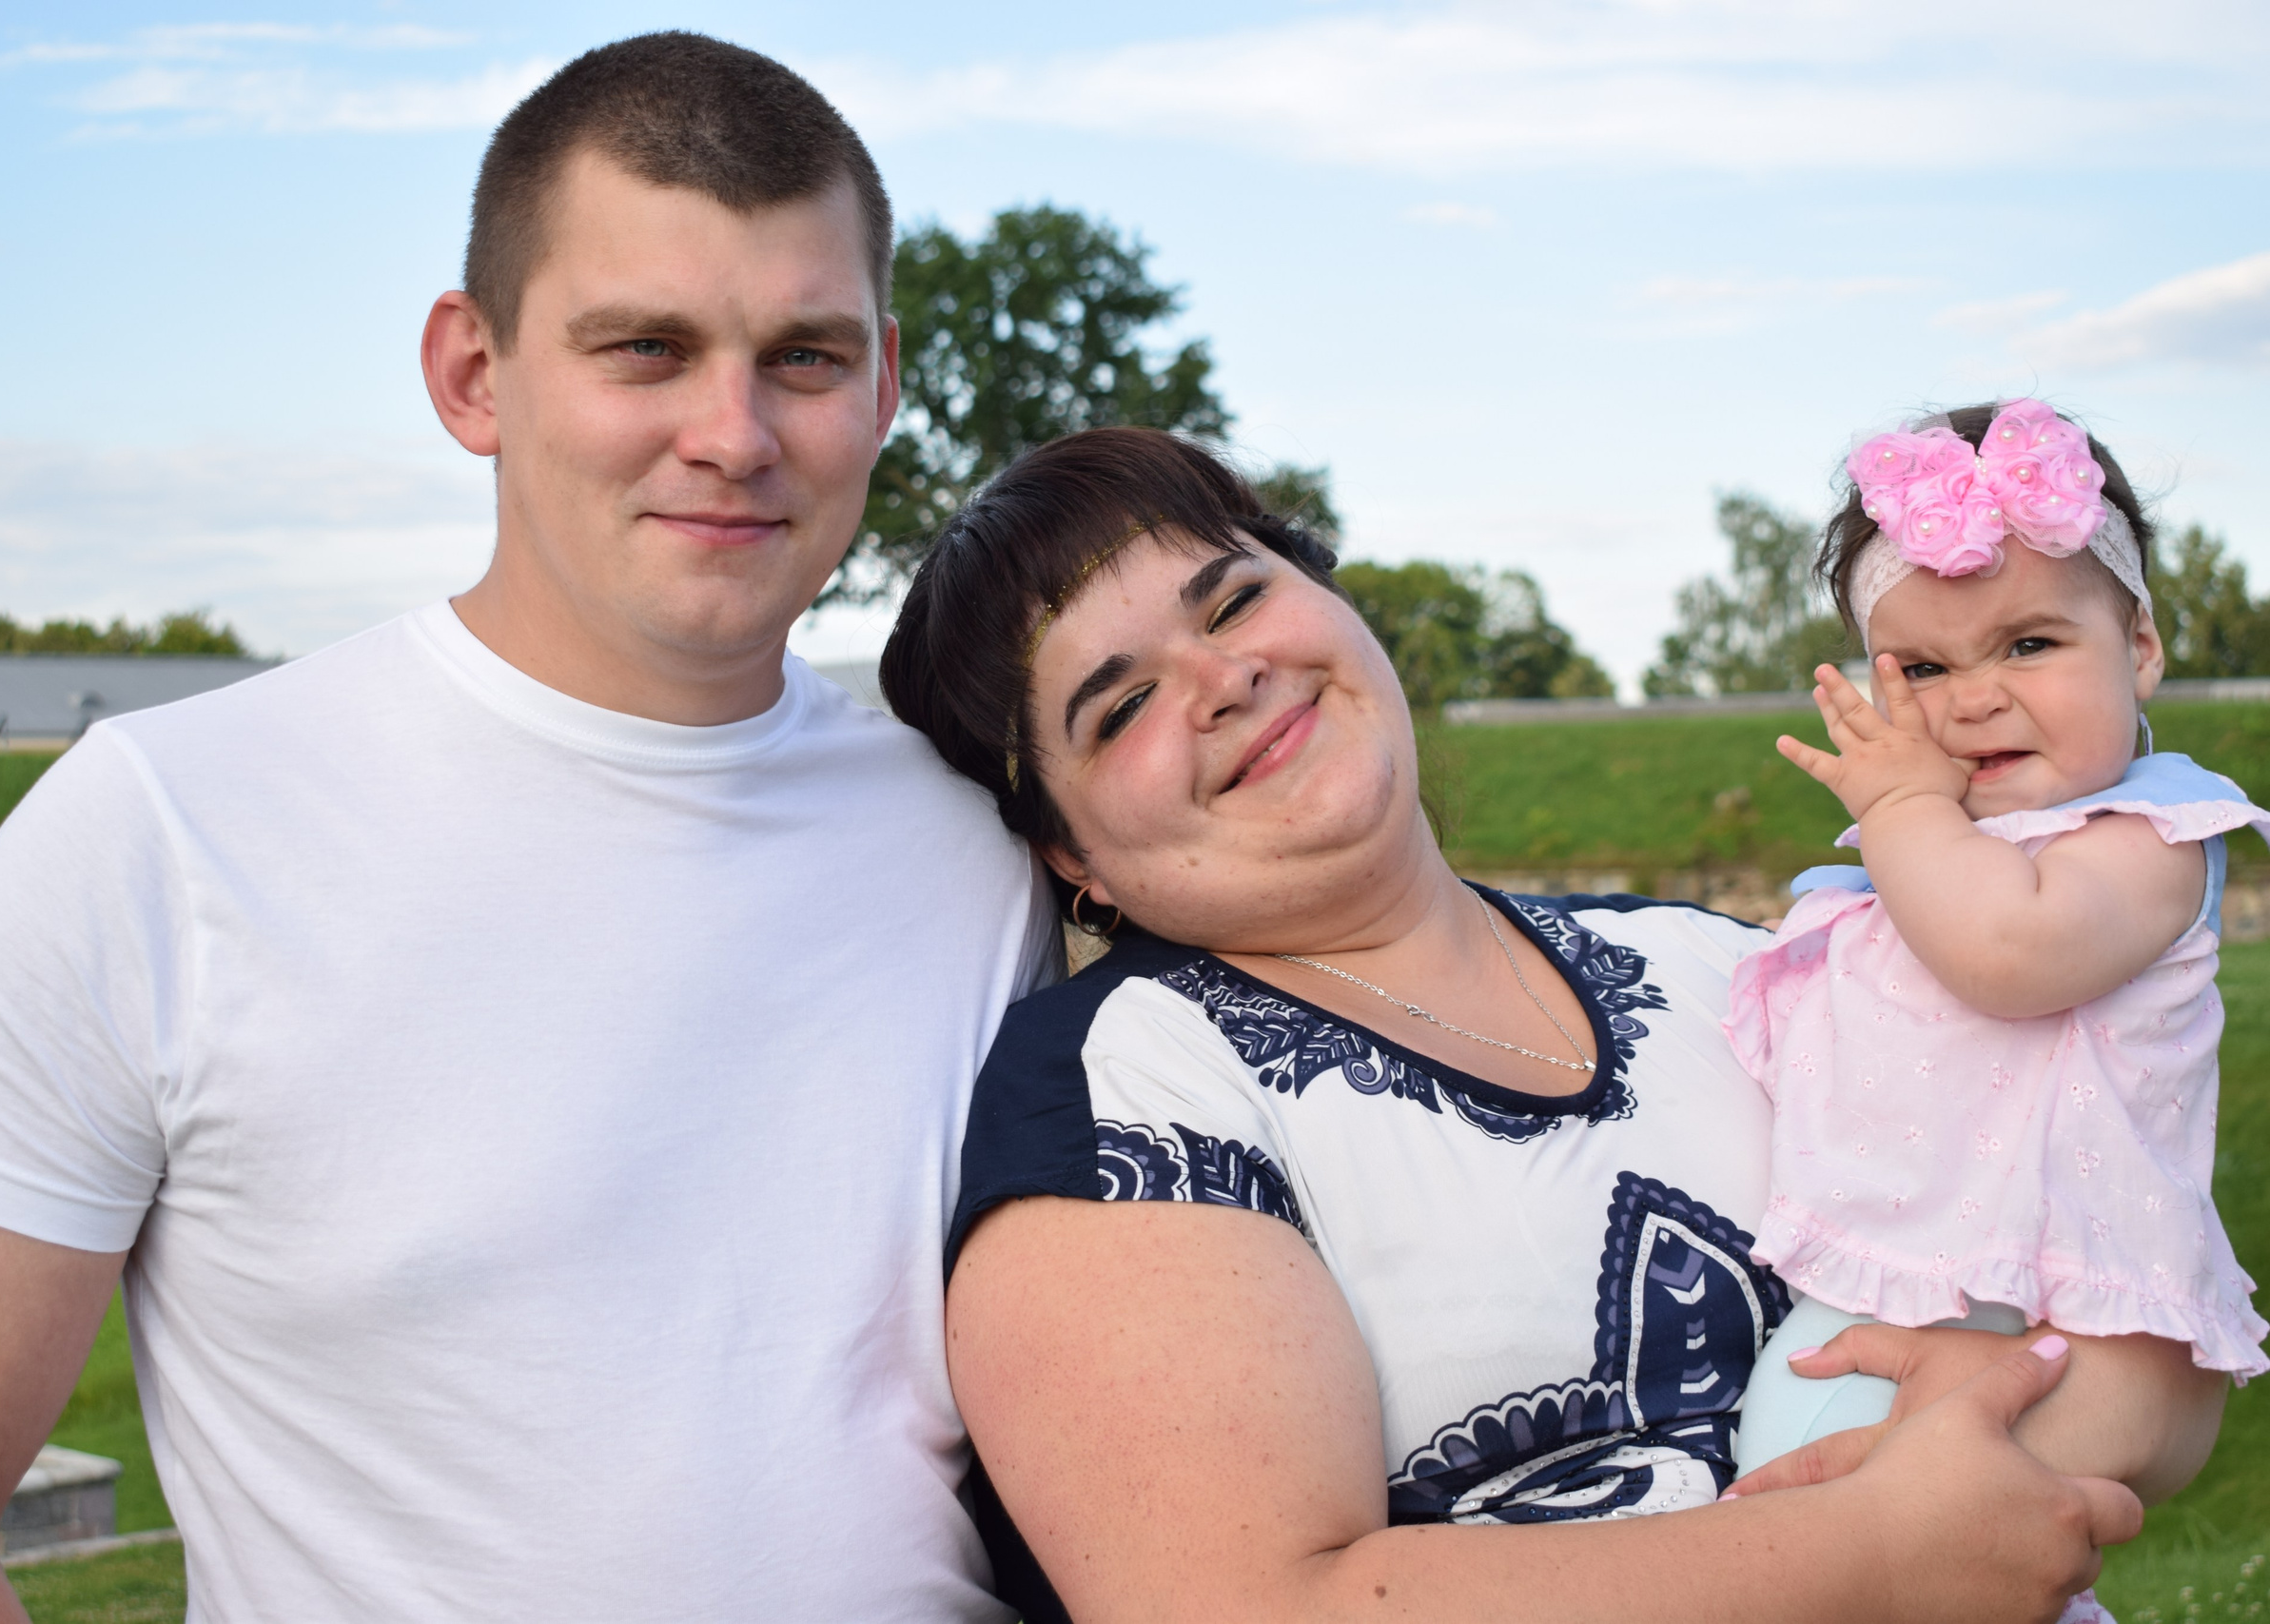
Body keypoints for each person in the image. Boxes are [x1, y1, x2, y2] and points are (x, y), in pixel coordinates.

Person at [0, 32, 1049, 1623]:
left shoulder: (984, 839)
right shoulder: (164, 832)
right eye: (645, 349)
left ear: (884, 381)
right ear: (474, 374)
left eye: (804, 357)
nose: (736, 433)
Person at [879, 425, 2226, 1624]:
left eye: (1234, 599)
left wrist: (2054, 1427)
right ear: (1072, 853)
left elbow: (2141, 1339)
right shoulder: (1126, 1092)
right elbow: (1233, 1600)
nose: (1221, 679)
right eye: (1119, 708)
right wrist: (1861, 1551)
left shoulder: (1734, 965)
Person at [1726, 401, 2263, 1508]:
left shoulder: (2149, 838)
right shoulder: (1906, 872)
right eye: (1919, 670)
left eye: (2029, 644)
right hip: (1874, 1292)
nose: (1973, 697)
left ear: (2142, 648)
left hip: (2051, 1310)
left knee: (1888, 1540)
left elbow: (2010, 950)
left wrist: (1902, 809)